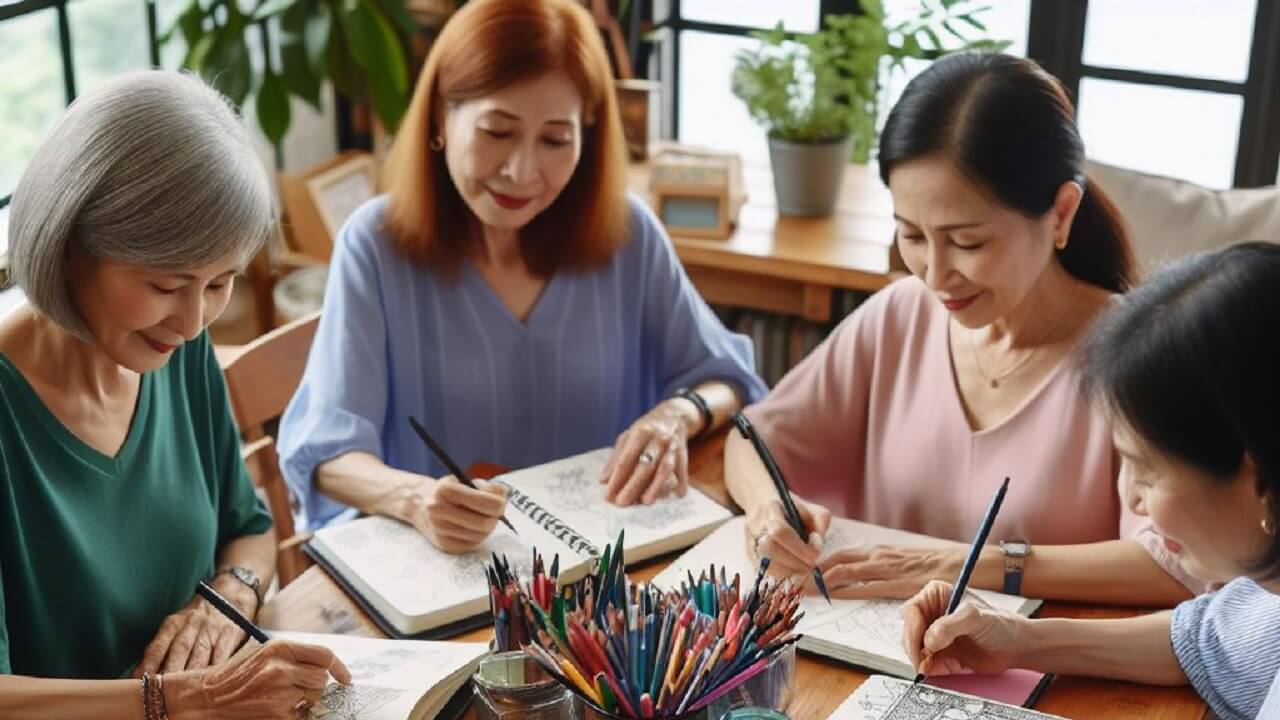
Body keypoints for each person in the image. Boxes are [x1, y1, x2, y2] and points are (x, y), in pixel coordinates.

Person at [277, 0, 766, 553]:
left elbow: (729, 379)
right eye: (497, 131)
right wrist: (415, 499)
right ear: (440, 117)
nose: (521, 172)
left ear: (587, 136)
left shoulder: (629, 234)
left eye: (555, 140)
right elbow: (327, 454)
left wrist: (678, 413)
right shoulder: (375, 245)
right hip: (445, 581)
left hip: (606, 579)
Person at [725, 52, 1196, 606]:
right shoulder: (901, 314)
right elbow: (750, 437)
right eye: (913, 235)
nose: (935, 272)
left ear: (1061, 213)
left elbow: (1172, 566)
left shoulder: (1137, 355)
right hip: (870, 661)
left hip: (1058, 680)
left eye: (968, 242)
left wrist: (966, 564)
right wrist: (765, 508)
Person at [0, 70, 349, 718]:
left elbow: (248, 527)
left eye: (221, 284)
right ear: (71, 246)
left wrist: (229, 599)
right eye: (166, 285)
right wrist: (179, 698)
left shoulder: (173, 355)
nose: (192, 323)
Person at [902, 242, 1280, 720]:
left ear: (1260, 478)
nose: (1133, 500)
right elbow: (1201, 639)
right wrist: (1017, 639)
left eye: (1148, 469)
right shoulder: (1266, 601)